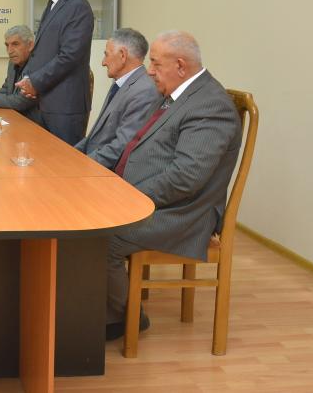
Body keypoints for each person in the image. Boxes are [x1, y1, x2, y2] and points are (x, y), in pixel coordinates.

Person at [104, 31, 242, 341]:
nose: (149, 71)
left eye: (155, 63)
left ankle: (125, 317)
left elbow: (185, 177)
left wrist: (127, 199)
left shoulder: (211, 105)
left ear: (180, 66)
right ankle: (96, 304)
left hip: (182, 213)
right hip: (151, 199)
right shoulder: (178, 93)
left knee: (102, 236)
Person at [14, 0, 94, 145]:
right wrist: (30, 81)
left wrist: (35, 82)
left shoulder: (77, 7)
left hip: (65, 108)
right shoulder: (53, 5)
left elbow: (69, 57)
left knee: (62, 162)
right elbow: (45, 53)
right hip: (46, 103)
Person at [75, 28, 160, 170]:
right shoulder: (121, 83)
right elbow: (94, 137)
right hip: (92, 162)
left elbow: (120, 148)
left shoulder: (144, 91)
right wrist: (70, 155)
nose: (103, 62)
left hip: (104, 172)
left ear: (122, 55)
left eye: (106, 55)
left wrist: (81, 165)